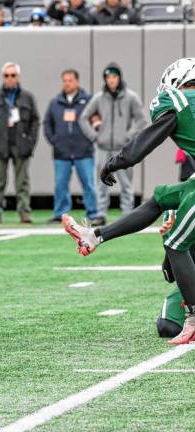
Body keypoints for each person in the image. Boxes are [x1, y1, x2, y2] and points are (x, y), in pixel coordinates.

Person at [62, 57, 195, 345]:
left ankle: (194, 318)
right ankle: (95, 235)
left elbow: (147, 140)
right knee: (163, 198)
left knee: (175, 242)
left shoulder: (178, 101)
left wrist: (115, 162)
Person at [79, 63, 146, 226]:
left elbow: (141, 120)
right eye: (108, 77)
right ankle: (101, 214)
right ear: (105, 79)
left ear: (119, 78)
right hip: (103, 148)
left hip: (123, 148)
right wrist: (95, 137)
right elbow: (83, 118)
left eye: (114, 76)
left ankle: (128, 214)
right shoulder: (99, 97)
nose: (111, 80)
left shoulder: (131, 97)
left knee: (126, 183)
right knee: (102, 183)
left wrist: (128, 137)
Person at [0, 62, 39, 224]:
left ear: (18, 77)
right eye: (6, 75)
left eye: (13, 75)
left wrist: (30, 142)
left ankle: (24, 212)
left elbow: (35, 121)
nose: (10, 79)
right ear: (3, 77)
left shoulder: (27, 97)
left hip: (20, 145)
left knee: (22, 182)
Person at [43, 69, 97, 224]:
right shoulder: (55, 102)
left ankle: (93, 214)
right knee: (61, 185)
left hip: (84, 151)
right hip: (62, 152)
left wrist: (90, 139)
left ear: (77, 82)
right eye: (64, 80)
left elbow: (97, 121)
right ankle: (61, 214)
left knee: (88, 184)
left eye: (70, 80)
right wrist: (55, 141)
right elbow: (47, 124)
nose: (67, 83)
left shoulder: (88, 101)